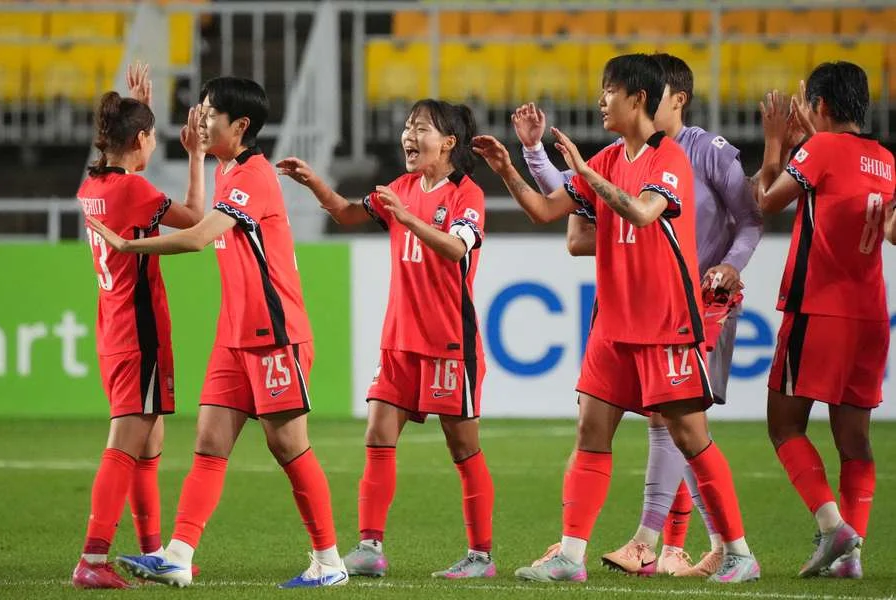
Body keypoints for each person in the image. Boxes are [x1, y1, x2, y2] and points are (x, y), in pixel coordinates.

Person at [473, 53, 759, 584]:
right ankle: (571, 557)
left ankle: (739, 553)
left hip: (665, 321)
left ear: (639, 99)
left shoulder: (668, 158)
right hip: (614, 322)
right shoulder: (606, 157)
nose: (601, 100)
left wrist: (584, 172)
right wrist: (509, 169)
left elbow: (642, 211)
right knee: (590, 430)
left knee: (690, 435)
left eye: (610, 90)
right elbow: (546, 211)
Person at [87, 76, 348, 589]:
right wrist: (198, 159)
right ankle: (179, 555)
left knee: (289, 447)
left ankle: (329, 561)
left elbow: (200, 236)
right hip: (234, 335)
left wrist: (128, 245)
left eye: (209, 113)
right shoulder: (229, 169)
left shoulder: (253, 174)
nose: (200, 119)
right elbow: (203, 213)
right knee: (208, 442)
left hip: (275, 332)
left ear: (241, 125)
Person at [277, 99, 495, 579]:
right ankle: (370, 547)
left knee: (463, 447)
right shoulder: (400, 188)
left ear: (449, 143)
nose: (408, 137)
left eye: (420, 128)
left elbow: (457, 248)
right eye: (407, 127)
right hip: (399, 339)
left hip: (448, 343)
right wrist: (313, 182)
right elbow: (348, 213)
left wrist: (410, 218)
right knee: (377, 434)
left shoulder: (467, 195)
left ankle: (481, 556)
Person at [71, 63, 206, 589]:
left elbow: (119, 163)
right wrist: (195, 154)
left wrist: (135, 108)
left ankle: (151, 553)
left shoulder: (93, 186)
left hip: (114, 330)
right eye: (150, 138)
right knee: (127, 442)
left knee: (148, 443)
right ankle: (93, 559)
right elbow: (195, 216)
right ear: (142, 139)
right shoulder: (134, 192)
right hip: (138, 331)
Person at [758, 62, 895, 579]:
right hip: (870, 315)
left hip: (819, 309)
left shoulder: (820, 151)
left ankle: (831, 522)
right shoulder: (884, 158)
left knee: (784, 424)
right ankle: (850, 559)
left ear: (819, 106)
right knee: (854, 440)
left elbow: (765, 202)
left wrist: (775, 142)